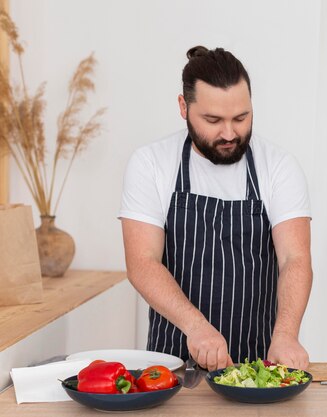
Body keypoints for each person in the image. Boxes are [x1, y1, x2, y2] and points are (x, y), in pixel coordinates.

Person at [119, 46, 312, 371]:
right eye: (213, 120)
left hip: (259, 365)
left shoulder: (278, 166)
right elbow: (142, 263)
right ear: (183, 107)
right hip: (172, 365)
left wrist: (287, 333)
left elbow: (295, 259)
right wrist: (196, 326)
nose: (229, 133)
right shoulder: (151, 163)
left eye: (241, 118)